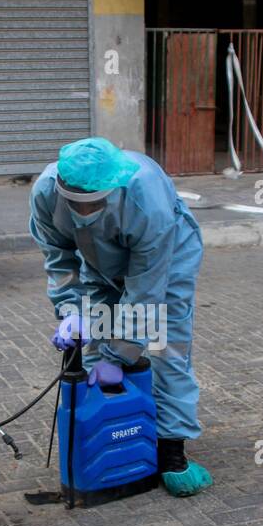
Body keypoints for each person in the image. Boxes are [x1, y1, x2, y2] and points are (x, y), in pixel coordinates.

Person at [29, 137, 212, 496]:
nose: (86, 212)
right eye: (78, 205)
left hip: (166, 261)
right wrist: (69, 311)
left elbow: (146, 293)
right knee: (97, 334)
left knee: (164, 345)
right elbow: (59, 260)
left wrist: (121, 354)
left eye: (96, 203)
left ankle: (172, 451)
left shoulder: (145, 199)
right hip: (98, 262)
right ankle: (110, 436)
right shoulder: (45, 194)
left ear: (113, 188)